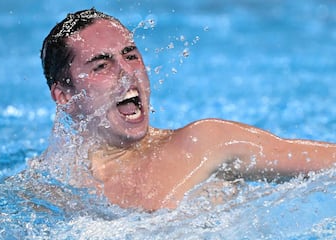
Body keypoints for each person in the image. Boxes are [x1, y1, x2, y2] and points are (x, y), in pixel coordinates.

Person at [40, 8, 336, 211]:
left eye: (131, 55)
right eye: (102, 65)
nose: (127, 71)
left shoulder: (205, 144)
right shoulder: (49, 188)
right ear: (64, 96)